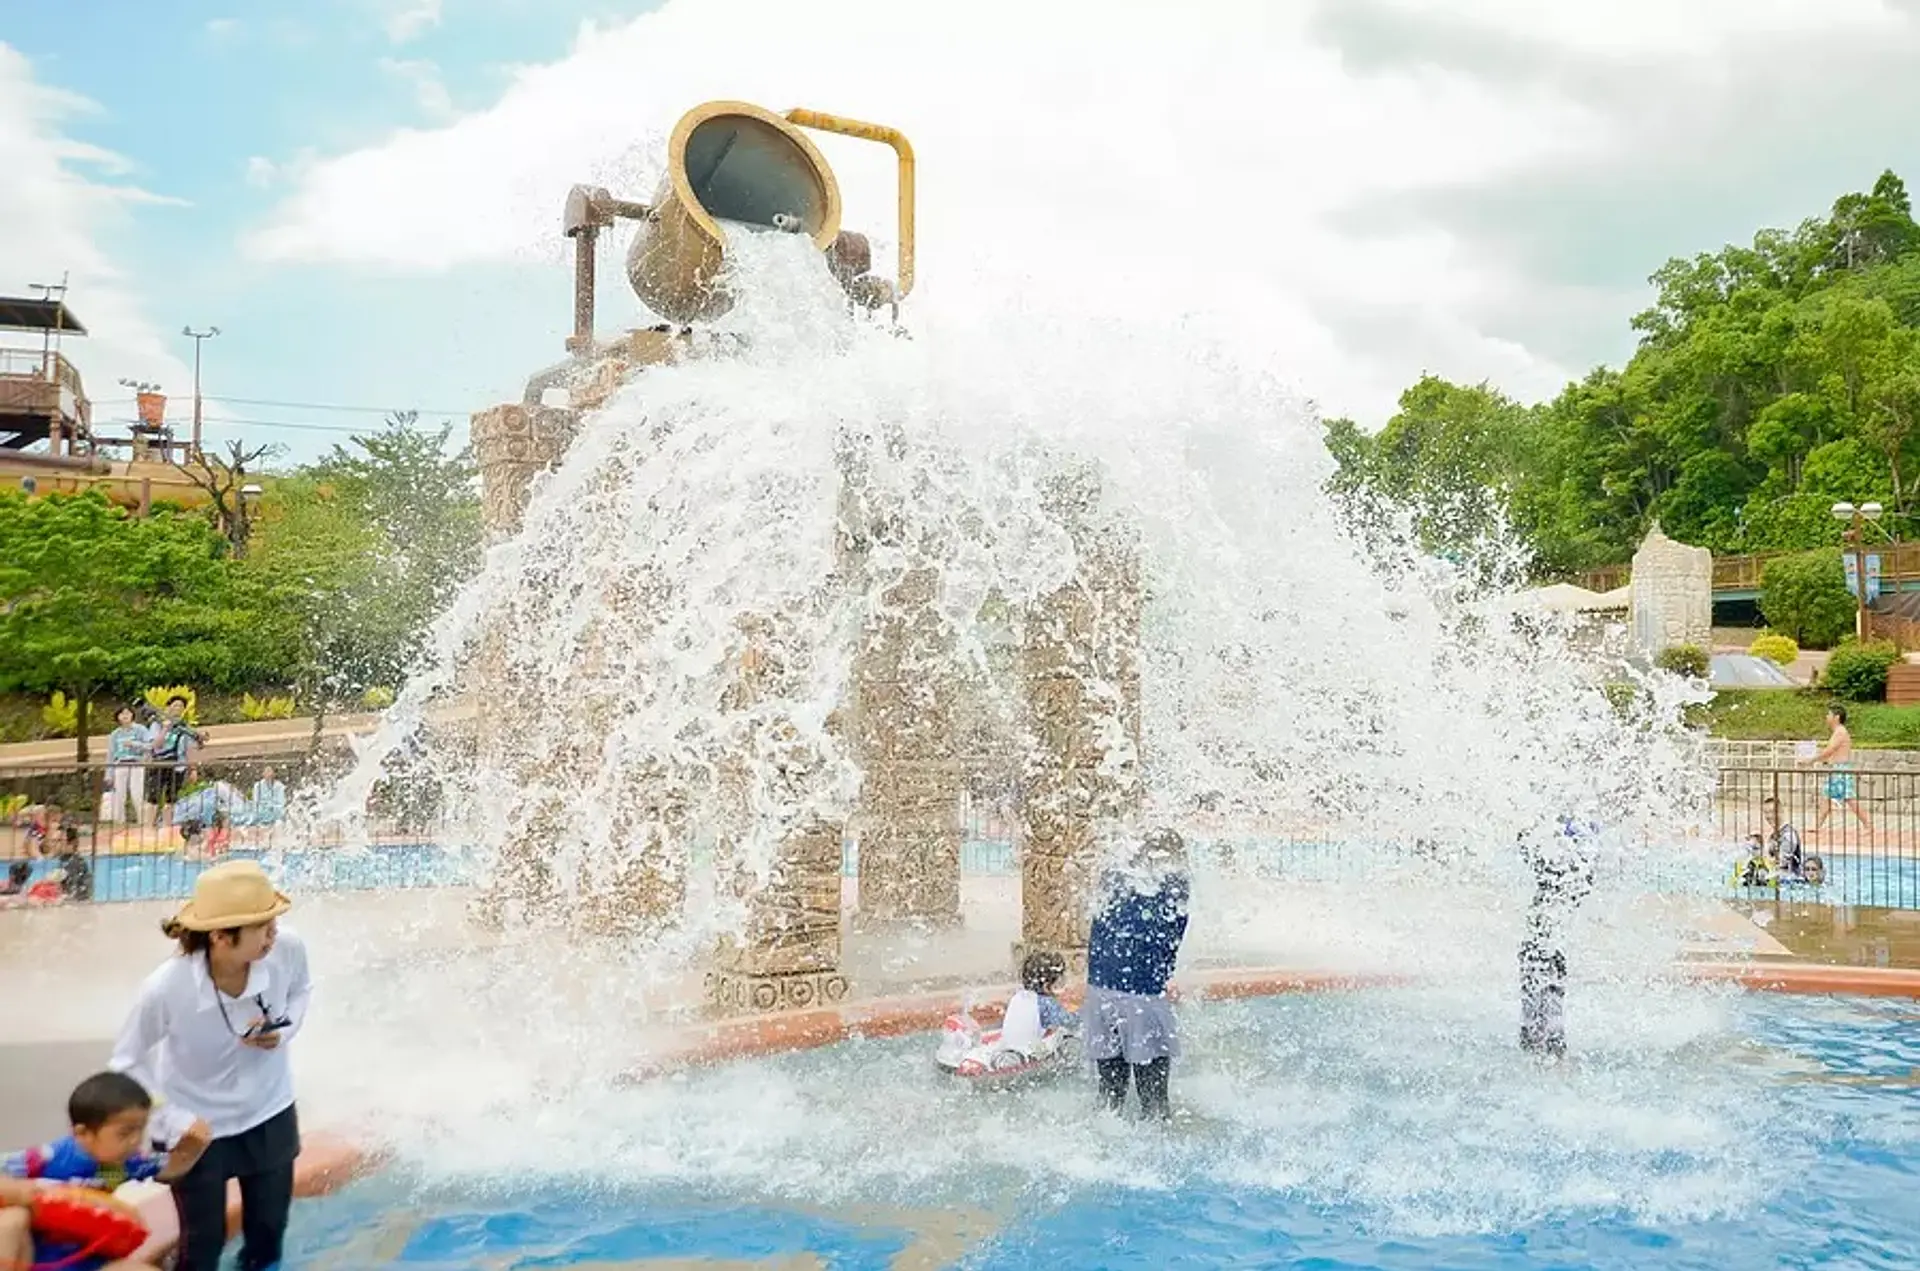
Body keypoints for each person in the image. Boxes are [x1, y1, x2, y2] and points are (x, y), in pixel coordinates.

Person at [109, 861, 312, 1271]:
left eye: (273, 922)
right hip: (197, 1130)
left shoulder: (287, 948)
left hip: (269, 1112)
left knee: (268, 1236)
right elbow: (125, 1062)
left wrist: (282, 1031)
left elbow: (301, 992)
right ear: (220, 937)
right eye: (262, 928)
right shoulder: (166, 987)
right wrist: (173, 1118)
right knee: (201, 1249)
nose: (274, 934)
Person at [0, 1070, 211, 1271]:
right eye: (125, 1133)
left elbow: (168, 1171)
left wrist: (190, 1152)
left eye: (140, 1130)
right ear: (83, 1133)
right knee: (12, 1219)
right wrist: (33, 1191)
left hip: (87, 1260)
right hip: (33, 1258)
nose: (135, 1141)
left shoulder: (121, 1166)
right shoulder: (48, 1158)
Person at [1084, 827, 1191, 1120]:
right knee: (1155, 1104)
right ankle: (1158, 1146)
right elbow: (1172, 935)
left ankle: (1103, 1138)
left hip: (1098, 993)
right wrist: (1161, 977)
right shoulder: (1174, 882)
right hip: (1141, 996)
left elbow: (1097, 927)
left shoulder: (1114, 876)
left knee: (1109, 1098)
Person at [1519, 816, 1597, 1060]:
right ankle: (1549, 1039)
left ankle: (1541, 1039)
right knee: (1546, 971)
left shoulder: (1555, 873)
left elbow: (1529, 850)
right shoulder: (1571, 877)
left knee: (1539, 966)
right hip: (1547, 942)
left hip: (1541, 943)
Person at [1800, 704, 1873, 840]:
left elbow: (1830, 750)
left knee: (1849, 799)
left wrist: (1811, 760)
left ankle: (1868, 824)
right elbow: (1830, 752)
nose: (1826, 717)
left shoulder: (1840, 732)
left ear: (1836, 717)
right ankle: (1817, 825)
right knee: (1825, 797)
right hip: (1836, 769)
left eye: (1829, 714)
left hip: (1841, 769)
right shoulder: (1838, 732)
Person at [147, 698, 204, 829]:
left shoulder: (184, 727)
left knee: (171, 798)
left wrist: (193, 769)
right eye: (175, 705)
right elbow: (155, 745)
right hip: (159, 764)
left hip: (178, 766)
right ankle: (149, 827)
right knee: (153, 797)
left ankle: (167, 826)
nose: (177, 708)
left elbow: (190, 749)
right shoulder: (157, 723)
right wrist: (165, 729)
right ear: (168, 707)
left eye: (181, 706)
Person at [103, 706, 153, 826]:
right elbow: (111, 754)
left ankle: (142, 821)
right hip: (120, 764)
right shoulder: (115, 734)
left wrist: (134, 744)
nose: (125, 716)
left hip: (136, 763)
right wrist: (108, 774)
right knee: (119, 795)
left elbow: (150, 745)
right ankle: (120, 822)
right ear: (118, 717)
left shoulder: (141, 730)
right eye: (122, 714)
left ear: (132, 715)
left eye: (127, 713)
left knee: (137, 793)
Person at [1021, 950, 1077, 1033]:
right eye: (1059, 984)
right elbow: (1070, 1024)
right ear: (1046, 987)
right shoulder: (1047, 1004)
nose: (1063, 988)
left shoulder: (1021, 998)